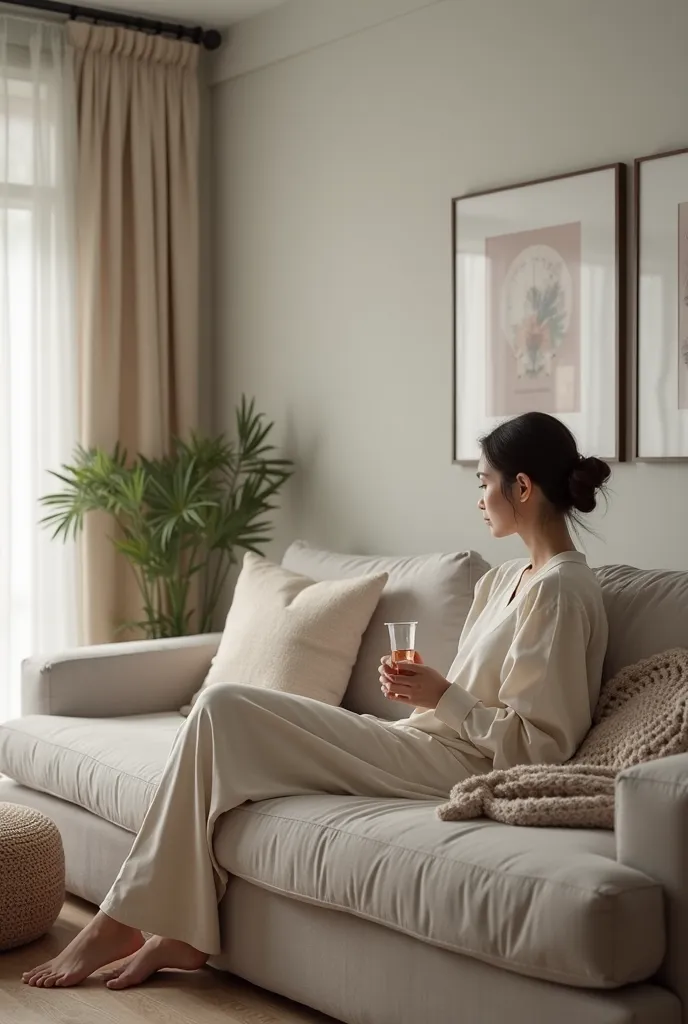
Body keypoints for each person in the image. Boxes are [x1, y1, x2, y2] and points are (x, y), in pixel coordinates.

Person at [24, 411, 610, 991]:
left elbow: (541, 748)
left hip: (459, 768)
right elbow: (467, 699)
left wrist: (444, 696)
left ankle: (119, 921)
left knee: (223, 706)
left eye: (484, 482)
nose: (479, 498)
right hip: (421, 741)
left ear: (523, 487)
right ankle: (169, 929)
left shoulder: (561, 592)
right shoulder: (502, 579)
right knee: (218, 725)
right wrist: (429, 694)